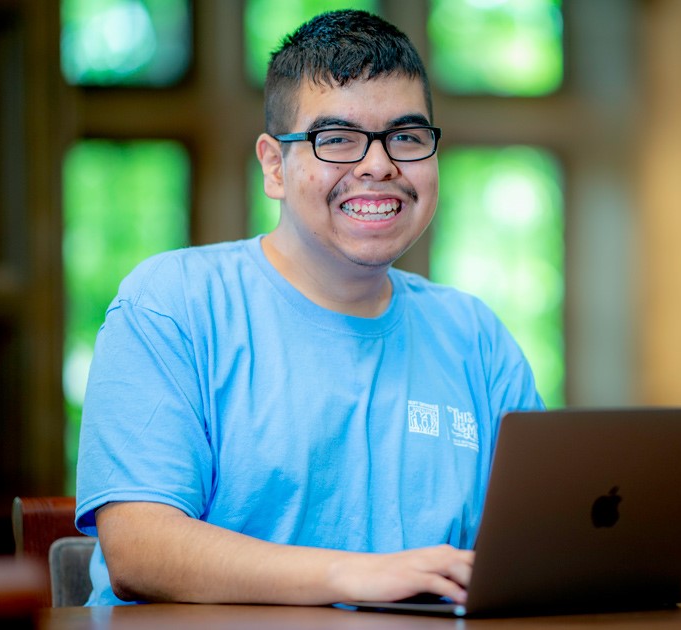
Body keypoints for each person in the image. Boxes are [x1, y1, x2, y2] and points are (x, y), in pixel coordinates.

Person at [73, 10, 544, 607]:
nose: (379, 166)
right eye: (338, 140)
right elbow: (140, 550)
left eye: (406, 137)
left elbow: (537, 548)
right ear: (274, 165)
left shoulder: (475, 336)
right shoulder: (174, 304)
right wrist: (356, 576)